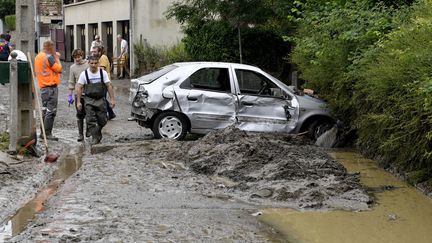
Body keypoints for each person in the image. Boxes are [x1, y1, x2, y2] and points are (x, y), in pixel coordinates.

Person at [76, 55, 115, 145]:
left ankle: (96, 131)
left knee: (103, 119)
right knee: (90, 119)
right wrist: (78, 102)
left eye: (95, 63)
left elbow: (109, 86)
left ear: (98, 63)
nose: (93, 65)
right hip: (89, 99)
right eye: (91, 63)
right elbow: (79, 87)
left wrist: (112, 99)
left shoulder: (103, 73)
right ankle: (95, 137)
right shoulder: (84, 74)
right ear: (88, 63)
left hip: (101, 99)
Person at [35, 40, 62, 141]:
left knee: (45, 110)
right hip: (51, 87)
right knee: (51, 111)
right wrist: (57, 58)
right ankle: (47, 133)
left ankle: (43, 132)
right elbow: (59, 69)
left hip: (43, 87)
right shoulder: (49, 57)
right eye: (53, 48)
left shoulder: (38, 56)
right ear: (50, 48)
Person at [68, 49, 89, 142]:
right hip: (79, 94)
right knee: (80, 114)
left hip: (89, 93)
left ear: (82, 55)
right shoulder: (72, 68)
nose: (77, 59)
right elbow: (71, 83)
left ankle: (88, 130)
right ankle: (80, 134)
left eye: (79, 56)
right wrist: (70, 95)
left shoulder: (88, 64)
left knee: (90, 113)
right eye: (75, 57)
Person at [91, 45, 116, 120]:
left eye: (95, 52)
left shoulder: (103, 58)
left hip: (105, 82)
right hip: (101, 82)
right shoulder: (99, 58)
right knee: (103, 99)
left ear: (100, 51)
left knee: (103, 99)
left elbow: (101, 70)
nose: (93, 53)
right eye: (93, 51)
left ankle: (106, 114)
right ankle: (110, 114)